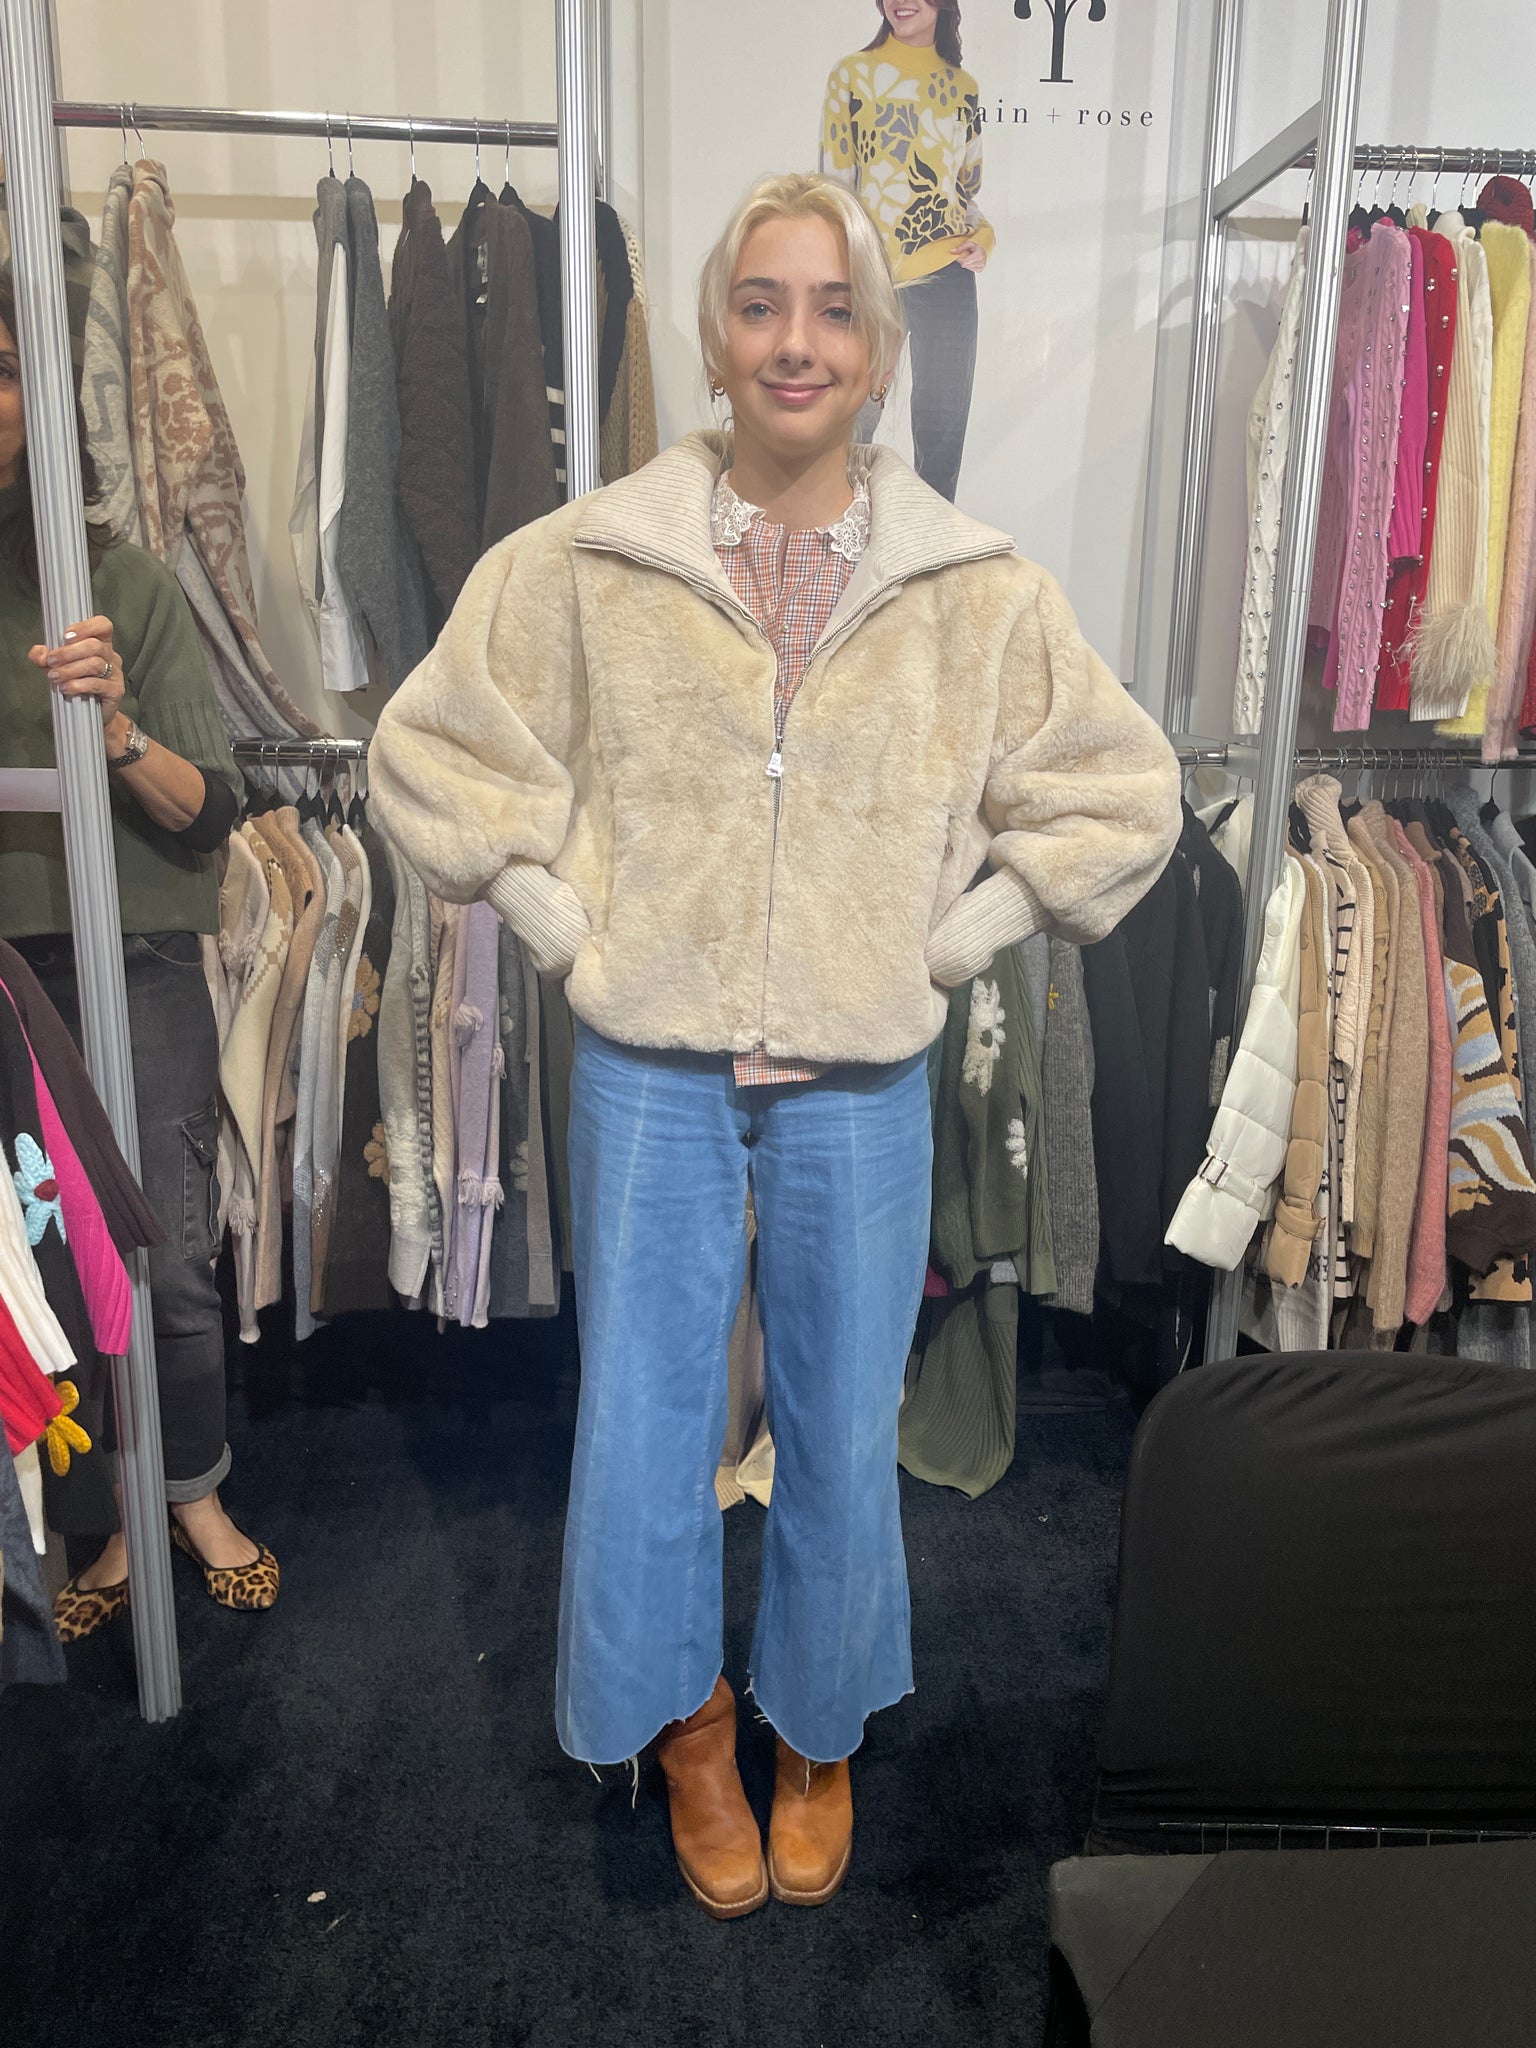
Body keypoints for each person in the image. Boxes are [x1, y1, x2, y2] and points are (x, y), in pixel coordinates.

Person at [369, 172, 1178, 1919]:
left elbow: (1122, 794)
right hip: (652, 1069)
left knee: (839, 1422)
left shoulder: (971, 585)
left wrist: (955, 937)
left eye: (830, 309)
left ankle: (817, 1727)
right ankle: (685, 1727)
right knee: (644, 1422)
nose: (794, 341)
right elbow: (428, 755)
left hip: (861, 1081)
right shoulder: (595, 558)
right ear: (716, 335)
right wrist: (565, 923)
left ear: (876, 349)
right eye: (760, 304)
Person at [0, 271, 279, 1638]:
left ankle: (194, 1491)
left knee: (160, 1248)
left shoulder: (117, 585)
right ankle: (105, 1510)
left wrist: (112, 727)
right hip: (7, 968)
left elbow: (211, 809)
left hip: (134, 950)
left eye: (4, 369)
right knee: (41, 1259)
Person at [821, 0, 993, 502]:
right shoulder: (852, 75)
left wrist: (983, 239)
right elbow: (835, 191)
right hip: (870, 273)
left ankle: (928, 542)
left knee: (943, 432)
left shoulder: (963, 88)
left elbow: (964, 191)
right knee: (850, 421)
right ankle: (837, 535)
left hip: (948, 275)